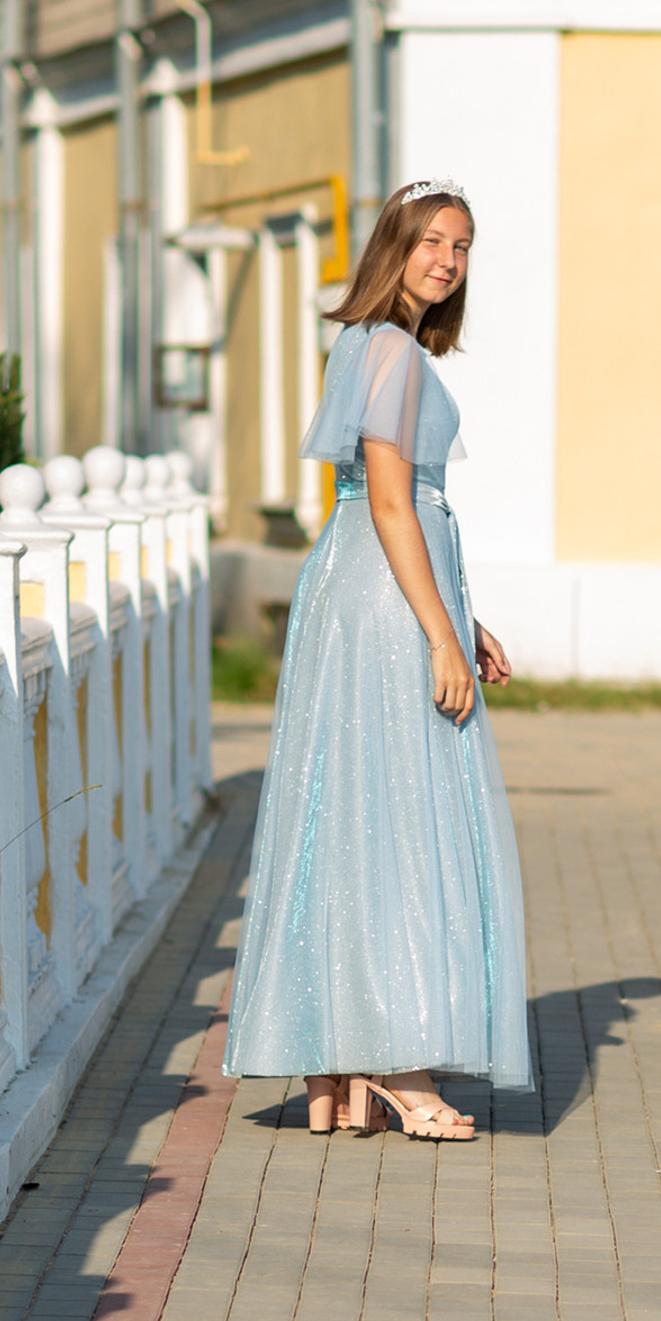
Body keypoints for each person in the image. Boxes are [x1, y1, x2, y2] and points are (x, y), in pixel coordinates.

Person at [220, 179, 531, 1140]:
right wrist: (439, 632)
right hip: (386, 598)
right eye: (431, 241)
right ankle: (400, 1062)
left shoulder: (363, 343)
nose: (447, 260)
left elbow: (386, 508)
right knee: (399, 816)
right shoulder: (391, 350)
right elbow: (396, 502)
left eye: (463, 246)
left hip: (362, 588)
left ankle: (342, 1061)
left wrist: (462, 616)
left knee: (350, 812)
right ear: (392, 246)